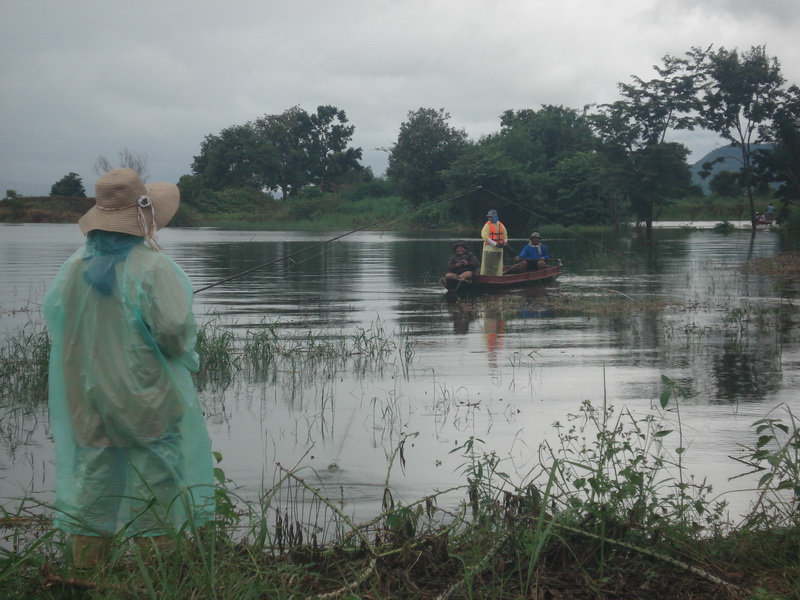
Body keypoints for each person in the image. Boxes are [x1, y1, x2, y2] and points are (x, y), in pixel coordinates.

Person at [43, 168, 215, 568]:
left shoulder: (73, 268)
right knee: (158, 480)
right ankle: (157, 575)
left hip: (86, 395)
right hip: (144, 396)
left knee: (94, 482)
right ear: (145, 218)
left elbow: (59, 322)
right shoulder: (154, 267)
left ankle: (88, 572)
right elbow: (174, 334)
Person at [480, 209, 507, 276]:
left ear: (495, 216)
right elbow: (485, 237)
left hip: (499, 249)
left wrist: (505, 242)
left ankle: (496, 276)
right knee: (488, 265)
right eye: (489, 217)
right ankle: (486, 276)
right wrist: (495, 244)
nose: (489, 218)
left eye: (491, 216)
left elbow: (505, 235)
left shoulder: (501, 225)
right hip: (489, 249)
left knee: (496, 265)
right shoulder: (487, 225)